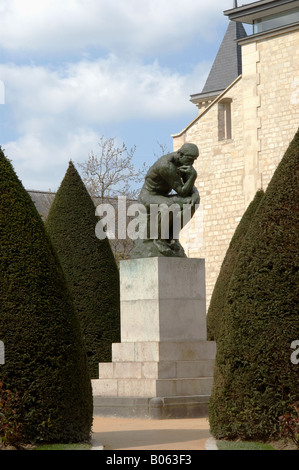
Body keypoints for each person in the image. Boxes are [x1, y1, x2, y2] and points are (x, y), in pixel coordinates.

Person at [132, 143, 200, 257]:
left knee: (193, 203)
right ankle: (159, 240)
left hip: (162, 196)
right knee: (169, 205)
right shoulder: (166, 165)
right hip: (148, 197)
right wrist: (193, 176)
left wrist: (195, 195)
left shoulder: (185, 163)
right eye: (190, 159)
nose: (192, 163)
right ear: (180, 154)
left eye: (194, 160)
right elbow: (182, 191)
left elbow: (189, 189)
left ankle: (172, 237)